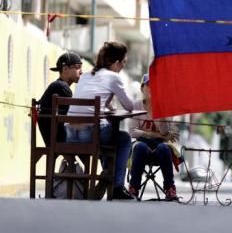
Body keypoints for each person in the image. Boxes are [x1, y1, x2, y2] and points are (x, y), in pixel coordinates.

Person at [65, 41, 136, 200]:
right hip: (90, 134)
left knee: (108, 135)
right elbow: (130, 106)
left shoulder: (85, 76)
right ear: (117, 63)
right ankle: (116, 185)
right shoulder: (114, 77)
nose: (123, 66)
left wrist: (108, 104)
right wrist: (113, 104)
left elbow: (91, 100)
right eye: (124, 63)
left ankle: (107, 174)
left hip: (69, 133)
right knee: (123, 139)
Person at [127, 74, 180, 201]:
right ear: (142, 88)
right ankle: (133, 187)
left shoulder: (165, 107)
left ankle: (170, 188)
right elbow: (132, 132)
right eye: (149, 85)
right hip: (142, 147)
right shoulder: (135, 106)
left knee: (164, 148)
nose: (152, 89)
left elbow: (167, 134)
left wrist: (160, 112)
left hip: (159, 148)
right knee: (139, 146)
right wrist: (155, 135)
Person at [38, 52, 83, 146]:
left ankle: (69, 161)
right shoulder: (62, 87)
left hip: (52, 138)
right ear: (65, 69)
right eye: (77, 67)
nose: (81, 71)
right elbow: (74, 115)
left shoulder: (58, 85)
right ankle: (69, 160)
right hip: (59, 139)